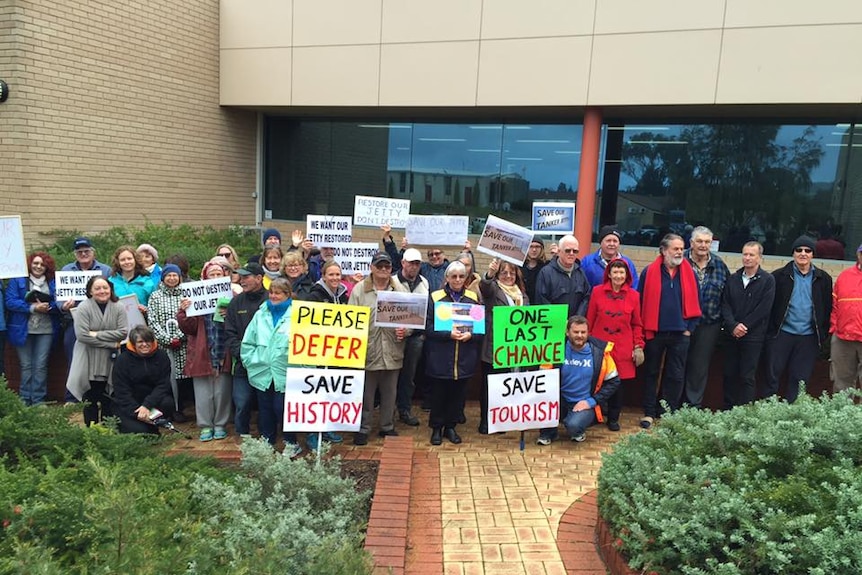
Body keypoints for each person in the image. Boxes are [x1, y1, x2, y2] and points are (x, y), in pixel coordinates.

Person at [638, 234, 701, 428]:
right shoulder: (649, 272)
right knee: (651, 372)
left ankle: (667, 412)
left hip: (680, 334)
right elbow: (640, 302)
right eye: (675, 249)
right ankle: (649, 412)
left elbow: (699, 301)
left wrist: (689, 329)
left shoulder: (689, 273)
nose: (680, 252)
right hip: (654, 332)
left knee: (675, 374)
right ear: (664, 251)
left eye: (681, 248)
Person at [348, 252, 409, 445]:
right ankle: (363, 427)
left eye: (387, 267)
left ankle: (387, 426)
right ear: (372, 267)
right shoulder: (359, 290)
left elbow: (410, 318)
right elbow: (351, 320)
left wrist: (404, 331)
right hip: (367, 349)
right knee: (366, 393)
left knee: (390, 392)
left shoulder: (400, 289)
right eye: (379, 266)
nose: (383, 270)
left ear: (391, 269)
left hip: (392, 348)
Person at [765, 236, 832, 402]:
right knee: (772, 375)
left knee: (800, 378)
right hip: (782, 333)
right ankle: (766, 412)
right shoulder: (778, 276)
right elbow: (770, 307)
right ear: (793, 253)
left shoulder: (823, 279)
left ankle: (793, 414)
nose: (803, 253)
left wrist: (822, 335)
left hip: (808, 336)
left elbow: (827, 308)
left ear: (812, 255)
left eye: (807, 250)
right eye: (799, 250)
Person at [537, 316, 621, 445]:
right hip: (559, 400)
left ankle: (576, 429)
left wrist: (592, 401)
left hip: (585, 403)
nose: (580, 336)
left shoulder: (600, 353)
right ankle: (548, 432)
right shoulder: (555, 348)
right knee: (542, 402)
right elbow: (542, 376)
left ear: (588, 333)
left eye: (583, 332)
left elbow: (614, 381)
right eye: (576, 332)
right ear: (567, 332)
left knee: (573, 425)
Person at [241, 277, 301, 455]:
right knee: (265, 409)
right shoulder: (261, 314)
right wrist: (251, 362)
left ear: (287, 295)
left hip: (287, 372)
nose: (273, 296)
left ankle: (291, 443)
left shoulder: (298, 314)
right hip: (263, 371)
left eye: (278, 293)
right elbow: (248, 342)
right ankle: (268, 441)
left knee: (283, 408)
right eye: (271, 292)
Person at [424, 261, 482, 445]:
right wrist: (447, 334)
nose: (457, 280)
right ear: (447, 278)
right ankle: (436, 428)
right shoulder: (435, 297)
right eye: (454, 276)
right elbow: (427, 326)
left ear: (466, 278)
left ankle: (451, 427)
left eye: (461, 276)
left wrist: (470, 335)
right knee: (439, 394)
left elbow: (480, 329)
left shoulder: (473, 298)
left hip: (464, 357)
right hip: (441, 356)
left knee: (458, 396)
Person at [177, 260, 232, 441]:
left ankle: (220, 424)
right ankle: (206, 425)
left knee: (222, 391)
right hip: (202, 350)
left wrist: (229, 313)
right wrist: (183, 311)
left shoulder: (231, 296)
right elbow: (189, 328)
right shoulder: (196, 297)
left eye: (219, 274)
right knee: (202, 392)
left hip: (223, 349)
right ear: (205, 276)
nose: (215, 277)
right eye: (212, 274)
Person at [586, 259, 644, 431]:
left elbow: (637, 324)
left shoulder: (634, 296)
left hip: (622, 347)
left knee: (618, 385)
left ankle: (613, 418)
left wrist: (638, 345)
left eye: (621, 272)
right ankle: (594, 415)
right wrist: (587, 343)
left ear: (627, 275)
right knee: (597, 381)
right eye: (615, 272)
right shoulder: (597, 292)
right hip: (599, 345)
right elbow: (589, 319)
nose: (618, 276)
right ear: (609, 274)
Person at [66, 276, 128, 425]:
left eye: (105, 288)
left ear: (110, 289)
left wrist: (96, 334)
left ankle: (107, 430)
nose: (102, 291)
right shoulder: (83, 307)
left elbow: (123, 332)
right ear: (90, 291)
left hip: (109, 360)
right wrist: (112, 344)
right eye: (97, 288)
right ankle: (92, 431)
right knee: (90, 398)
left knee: (108, 396)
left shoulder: (118, 306)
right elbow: (82, 336)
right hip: (87, 357)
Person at [721, 241, 775, 409]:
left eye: (752, 255)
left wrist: (744, 326)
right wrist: (733, 326)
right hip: (731, 335)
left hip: (753, 337)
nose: (747, 258)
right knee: (729, 374)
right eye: (745, 254)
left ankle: (744, 414)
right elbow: (725, 304)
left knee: (747, 376)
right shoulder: (733, 278)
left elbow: (764, 308)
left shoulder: (768, 280)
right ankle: (728, 411)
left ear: (760, 258)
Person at [479, 258, 529, 434]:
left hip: (515, 348)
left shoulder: (522, 295)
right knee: (491, 385)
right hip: (495, 347)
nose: (508, 276)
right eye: (504, 273)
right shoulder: (494, 290)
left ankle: (502, 419)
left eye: (512, 272)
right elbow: (484, 287)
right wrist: (489, 274)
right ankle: (486, 421)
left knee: (507, 384)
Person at [5, 252, 61, 405]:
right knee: (26, 365)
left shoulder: (53, 282)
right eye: (35, 263)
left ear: (47, 267)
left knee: (41, 365)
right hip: (23, 329)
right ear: (29, 264)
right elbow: (10, 301)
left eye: (42, 264)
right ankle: (24, 400)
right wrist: (33, 307)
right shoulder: (17, 280)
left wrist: (49, 306)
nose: (38, 266)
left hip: (46, 329)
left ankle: (38, 400)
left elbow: (60, 302)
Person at [683, 226, 729, 408]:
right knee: (677, 364)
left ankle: (692, 407)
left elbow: (727, 296)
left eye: (707, 242)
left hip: (708, 324)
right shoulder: (679, 261)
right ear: (691, 243)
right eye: (699, 241)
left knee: (699, 368)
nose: (703, 245)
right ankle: (672, 405)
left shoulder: (719, 265)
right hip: (681, 324)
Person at [60, 237, 111, 397]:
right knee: (73, 359)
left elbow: (111, 293)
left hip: (99, 323)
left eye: (86, 251)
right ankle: (72, 397)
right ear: (75, 254)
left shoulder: (105, 270)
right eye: (79, 252)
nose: (83, 254)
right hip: (73, 322)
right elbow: (59, 295)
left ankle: (98, 395)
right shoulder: (66, 270)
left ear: (93, 252)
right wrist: (63, 306)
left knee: (100, 359)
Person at [224, 262, 268, 438]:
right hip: (243, 363)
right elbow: (229, 332)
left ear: (259, 278)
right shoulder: (235, 302)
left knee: (265, 405)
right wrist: (243, 355)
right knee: (242, 402)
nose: (242, 280)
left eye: (246, 277)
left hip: (266, 364)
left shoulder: (270, 300)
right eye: (240, 277)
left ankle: (267, 436)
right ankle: (243, 435)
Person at [111, 325, 176, 434]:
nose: (145, 344)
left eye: (148, 341)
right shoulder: (122, 360)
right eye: (140, 342)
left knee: (168, 403)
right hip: (129, 404)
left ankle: (154, 422)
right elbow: (122, 392)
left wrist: (146, 405)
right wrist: (137, 411)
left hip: (151, 402)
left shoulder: (162, 356)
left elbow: (163, 385)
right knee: (142, 433)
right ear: (133, 344)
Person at [147, 263, 188, 420]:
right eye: (168, 275)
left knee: (183, 378)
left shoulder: (185, 294)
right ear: (163, 278)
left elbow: (189, 318)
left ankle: (181, 408)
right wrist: (167, 339)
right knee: (167, 377)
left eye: (175, 275)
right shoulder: (155, 296)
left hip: (183, 345)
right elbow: (153, 321)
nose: (172, 278)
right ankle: (169, 409)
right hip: (164, 346)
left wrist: (179, 337)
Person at [393, 248, 429, 427]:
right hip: (395, 336)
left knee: (409, 375)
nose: (414, 266)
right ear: (403, 263)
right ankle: (388, 410)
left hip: (415, 337)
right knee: (391, 374)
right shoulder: (392, 281)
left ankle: (404, 410)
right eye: (411, 262)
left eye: (417, 263)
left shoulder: (424, 282)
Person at [830, 243, 862, 393]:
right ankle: (842, 415)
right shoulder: (844, 276)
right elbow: (834, 305)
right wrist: (835, 327)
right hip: (843, 339)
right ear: (858, 255)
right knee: (841, 384)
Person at [535, 234, 591, 317]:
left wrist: (576, 319)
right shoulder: (546, 273)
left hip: (574, 326)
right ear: (559, 251)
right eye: (568, 250)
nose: (571, 254)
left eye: (575, 251)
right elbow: (541, 301)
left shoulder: (580, 273)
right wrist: (560, 321)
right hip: (554, 325)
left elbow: (586, 298)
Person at [581, 225, 638, 289]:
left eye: (615, 241)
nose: (612, 244)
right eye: (608, 241)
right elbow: (581, 286)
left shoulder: (627, 263)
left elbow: (634, 287)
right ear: (601, 242)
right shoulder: (587, 262)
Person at [109, 245, 156, 316]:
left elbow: (154, 308)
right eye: (122, 260)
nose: (127, 262)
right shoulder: (110, 282)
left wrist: (146, 310)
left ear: (135, 260)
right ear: (118, 262)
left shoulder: (147, 282)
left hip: (142, 324)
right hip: (117, 323)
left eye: (129, 258)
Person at [521, 237, 547, 304]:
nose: (534, 250)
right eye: (531, 246)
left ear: (542, 249)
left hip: (541, 305)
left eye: (537, 247)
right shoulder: (519, 266)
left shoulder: (547, 266)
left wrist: (556, 256)